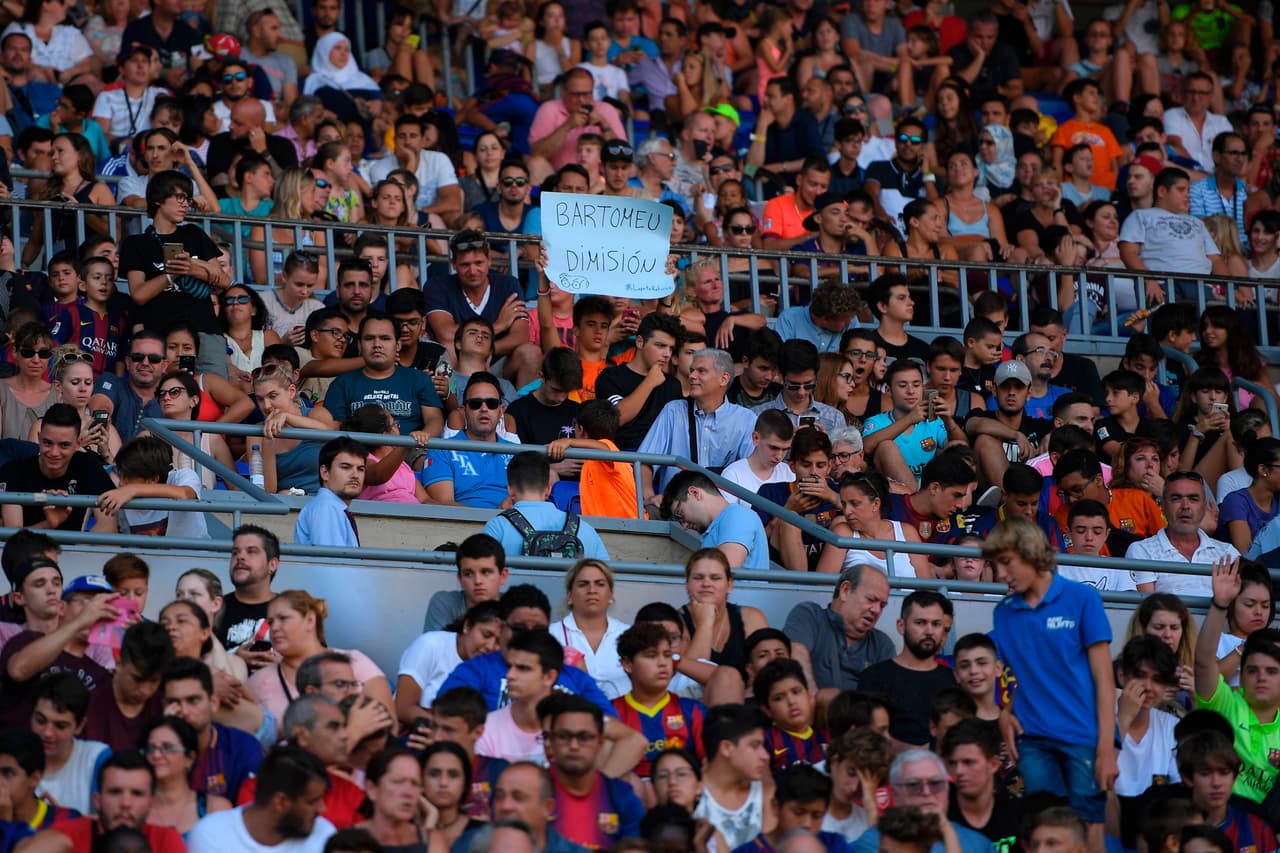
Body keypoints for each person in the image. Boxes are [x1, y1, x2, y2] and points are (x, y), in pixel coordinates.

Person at [984, 517, 1115, 851]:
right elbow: (1029, 676)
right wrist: (1005, 711)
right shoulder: (1004, 613)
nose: (999, 574)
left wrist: (1106, 748)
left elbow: (1104, 679)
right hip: (1034, 740)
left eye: (1006, 562)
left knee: (1089, 829)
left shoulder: (1082, 598)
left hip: (1083, 736)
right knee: (1046, 832)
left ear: (1030, 553)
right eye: (995, 565)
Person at [118, 171, 230, 365]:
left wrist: (191, 268)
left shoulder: (193, 233)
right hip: (160, 333)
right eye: (179, 197)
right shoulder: (136, 243)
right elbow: (139, 294)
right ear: (159, 199)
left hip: (204, 330)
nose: (185, 204)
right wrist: (171, 275)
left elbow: (224, 280)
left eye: (187, 199)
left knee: (214, 391)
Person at [246, 590, 392, 737]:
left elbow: (390, 727)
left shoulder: (355, 662)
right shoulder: (258, 682)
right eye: (270, 622)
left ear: (310, 620)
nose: (274, 628)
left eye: (283, 618)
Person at [1194, 557, 1280, 806]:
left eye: (1272, 671)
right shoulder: (1227, 704)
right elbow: (1202, 663)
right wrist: (1220, 604)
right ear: (1242, 675)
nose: (1262, 677)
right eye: (1252, 670)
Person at [187, 744, 337, 852]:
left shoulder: (324, 834)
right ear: (280, 802)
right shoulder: (212, 835)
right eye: (312, 801)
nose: (322, 809)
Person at [30, 752, 186, 853]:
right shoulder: (67, 836)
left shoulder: (165, 840)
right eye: (115, 792)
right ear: (97, 800)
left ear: (151, 803)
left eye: (137, 794)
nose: (125, 803)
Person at [544, 694, 645, 848]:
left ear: (600, 743)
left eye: (584, 737)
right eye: (564, 736)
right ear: (550, 741)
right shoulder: (532, 792)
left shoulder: (622, 797)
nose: (574, 745)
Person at [857, 591, 957, 746]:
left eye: (936, 624)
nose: (929, 631)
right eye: (920, 622)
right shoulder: (873, 677)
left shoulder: (954, 681)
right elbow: (866, 738)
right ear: (901, 626)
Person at [611, 622, 707, 778]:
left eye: (667, 655)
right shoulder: (610, 713)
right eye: (651, 655)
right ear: (627, 664)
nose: (663, 663)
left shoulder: (693, 711)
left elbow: (709, 767)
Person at [159, 656, 263, 800]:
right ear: (164, 706)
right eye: (174, 702)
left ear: (214, 702)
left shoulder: (242, 748)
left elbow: (250, 815)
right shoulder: (153, 752)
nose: (184, 711)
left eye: (193, 700)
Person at [0, 403, 114, 532]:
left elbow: (108, 526)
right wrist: (49, 524)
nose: (54, 452)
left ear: (78, 444)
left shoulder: (89, 465)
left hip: (75, 551)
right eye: (48, 443)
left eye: (64, 445)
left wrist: (74, 550)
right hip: (28, 551)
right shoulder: (14, 471)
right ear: (39, 438)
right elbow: (11, 537)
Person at [782, 564, 895, 693]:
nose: (876, 610)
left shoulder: (882, 644)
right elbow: (796, 655)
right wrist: (814, 699)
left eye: (882, 605)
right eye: (871, 599)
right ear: (845, 590)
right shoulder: (810, 616)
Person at [482, 451, 609, 559]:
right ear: (548, 490)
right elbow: (606, 577)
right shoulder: (584, 528)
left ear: (510, 490)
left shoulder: (498, 526)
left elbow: (483, 574)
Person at [1130, 472, 1238, 597]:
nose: (1185, 506)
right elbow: (1147, 609)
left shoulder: (1228, 552)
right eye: (1176, 498)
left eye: (1193, 499)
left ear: (1204, 507)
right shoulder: (1142, 551)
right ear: (1162, 506)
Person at [395, 602, 503, 725]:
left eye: (499, 641)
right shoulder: (431, 644)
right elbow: (403, 708)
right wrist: (446, 731)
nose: (490, 646)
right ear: (467, 626)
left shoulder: (497, 665)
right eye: (486, 635)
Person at [419, 372, 516, 509]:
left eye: (491, 403)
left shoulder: (517, 453)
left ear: (500, 411)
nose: (484, 409)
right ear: (463, 411)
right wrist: (494, 515)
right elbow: (443, 506)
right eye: (476, 404)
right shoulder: (442, 450)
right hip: (461, 527)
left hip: (509, 525)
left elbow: (528, 502)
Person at [595, 311, 685, 451]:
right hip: (621, 459)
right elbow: (617, 418)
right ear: (640, 342)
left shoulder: (672, 385)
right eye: (660, 345)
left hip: (662, 460)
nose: (667, 354)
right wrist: (649, 382)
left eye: (671, 348)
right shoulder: (611, 377)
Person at [695, 704, 776, 850]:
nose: (765, 756)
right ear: (726, 748)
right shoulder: (690, 793)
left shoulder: (766, 793)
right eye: (755, 745)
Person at [547, 559, 629, 699]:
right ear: (569, 595)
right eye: (583, 584)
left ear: (611, 594)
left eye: (600, 584)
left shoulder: (629, 634)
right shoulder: (551, 635)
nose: (592, 590)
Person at [30, 673, 109, 816]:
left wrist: (62, 822)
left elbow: (109, 823)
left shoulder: (96, 757)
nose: (48, 733)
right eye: (41, 721)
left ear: (80, 726)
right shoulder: (9, 757)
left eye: (60, 726)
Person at [139, 716, 233, 837]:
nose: (156, 755)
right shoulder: (135, 807)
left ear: (190, 758)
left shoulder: (215, 808)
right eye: (150, 748)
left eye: (168, 748)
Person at [662, 471, 770, 570]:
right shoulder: (720, 524)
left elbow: (722, 572)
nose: (684, 526)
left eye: (680, 514)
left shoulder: (738, 515)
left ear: (695, 493)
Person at [351, 746, 432, 852]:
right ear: (372, 789)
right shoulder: (348, 843)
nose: (408, 792)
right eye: (398, 782)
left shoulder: (431, 841)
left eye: (415, 784)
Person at [215, 525, 280, 655]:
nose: (240, 557)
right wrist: (233, 660)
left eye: (251, 551)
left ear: (272, 564)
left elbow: (317, 664)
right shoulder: (213, 610)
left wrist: (285, 665)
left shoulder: (295, 610)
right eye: (235, 552)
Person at [293, 437, 367, 547]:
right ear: (325, 472)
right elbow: (333, 562)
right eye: (346, 467)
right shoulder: (326, 507)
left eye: (360, 469)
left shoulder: (332, 506)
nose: (355, 475)